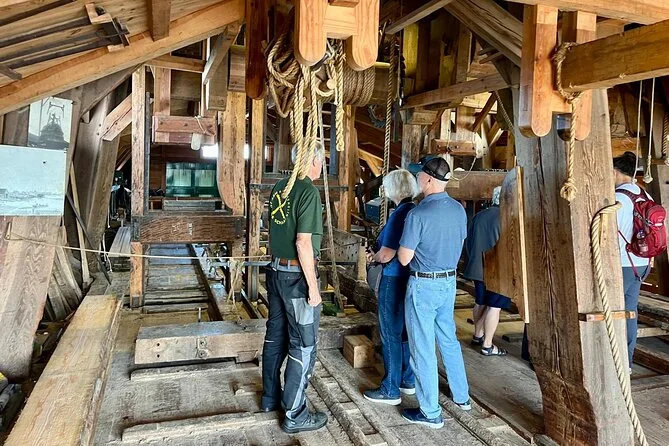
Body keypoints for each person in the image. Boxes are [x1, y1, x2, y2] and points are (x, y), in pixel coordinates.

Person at [397, 157, 471, 429]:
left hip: (424, 285)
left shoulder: (417, 214)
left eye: (419, 175)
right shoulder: (459, 210)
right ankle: (462, 397)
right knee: (448, 339)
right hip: (449, 282)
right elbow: (460, 243)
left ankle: (430, 413)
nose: (417, 179)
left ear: (428, 179)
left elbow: (404, 258)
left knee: (423, 348)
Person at [261, 143, 327, 434]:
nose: (322, 165)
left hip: (275, 271)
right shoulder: (308, 191)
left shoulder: (279, 187)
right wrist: (313, 287)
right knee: (304, 344)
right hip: (296, 277)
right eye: (322, 160)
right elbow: (303, 242)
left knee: (275, 337)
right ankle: (295, 414)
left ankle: (269, 398)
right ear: (313, 161)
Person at [363, 169, 419, 405]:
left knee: (390, 333)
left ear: (394, 189)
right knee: (404, 331)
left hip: (393, 278)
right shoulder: (414, 211)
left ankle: (390, 389)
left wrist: (373, 258)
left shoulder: (398, 215)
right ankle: (407, 380)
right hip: (409, 277)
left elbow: (387, 254)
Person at [613, 151, 652, 371]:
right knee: (629, 312)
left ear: (615, 172)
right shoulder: (645, 195)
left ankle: (612, 362)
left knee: (610, 313)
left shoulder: (618, 199)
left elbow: (605, 234)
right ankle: (626, 363)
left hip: (622, 263)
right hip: (642, 263)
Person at [463, 186, 511, 356]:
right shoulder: (508, 217)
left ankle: (478, 335)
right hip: (499, 270)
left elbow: (468, 241)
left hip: (478, 268)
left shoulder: (479, 216)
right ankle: (488, 345)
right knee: (494, 307)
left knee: (480, 302)